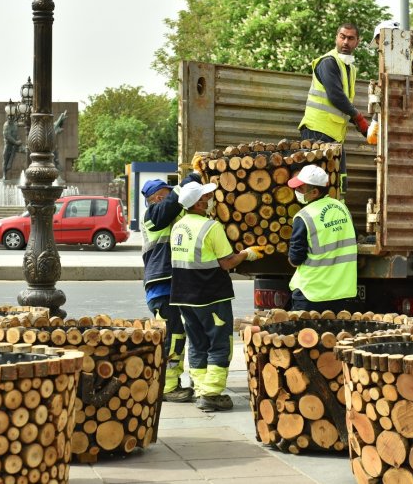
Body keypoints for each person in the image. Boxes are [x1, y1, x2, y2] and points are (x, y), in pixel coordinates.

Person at [169, 180, 264, 412]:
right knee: (219, 344)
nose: (209, 200)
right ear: (199, 203)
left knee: (198, 343)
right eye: (205, 197)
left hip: (183, 296)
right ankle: (211, 394)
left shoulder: (178, 226)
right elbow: (226, 262)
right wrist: (247, 254)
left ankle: (202, 389)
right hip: (210, 295)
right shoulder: (211, 227)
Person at [140, 172, 198, 403]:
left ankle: (177, 381)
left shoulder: (172, 211)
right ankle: (167, 385)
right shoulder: (152, 215)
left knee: (182, 334)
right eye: (163, 195)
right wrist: (180, 187)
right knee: (172, 336)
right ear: (153, 199)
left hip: (176, 284)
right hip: (161, 286)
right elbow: (169, 208)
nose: (168, 198)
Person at [298, 22, 368, 195]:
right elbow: (336, 96)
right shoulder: (328, 62)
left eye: (351, 38)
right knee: (318, 185)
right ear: (336, 38)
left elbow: (345, 102)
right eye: (342, 37)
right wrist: (358, 118)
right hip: (317, 131)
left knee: (339, 181)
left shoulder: (350, 69)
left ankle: (337, 213)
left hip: (334, 135)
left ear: (357, 42)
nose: (345, 42)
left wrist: (362, 125)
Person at [287, 165, 357, 312]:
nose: (296, 191)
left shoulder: (304, 216)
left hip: (311, 294)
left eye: (301, 188)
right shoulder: (342, 208)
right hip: (341, 294)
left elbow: (295, 259)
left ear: (314, 192)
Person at [2, 114, 22, 180]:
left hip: (15, 146)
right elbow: (7, 136)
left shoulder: (15, 124)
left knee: (25, 151)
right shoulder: (6, 125)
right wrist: (15, 142)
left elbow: (16, 134)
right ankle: (4, 175)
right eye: (9, 116)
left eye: (12, 116)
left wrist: (18, 140)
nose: (10, 118)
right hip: (8, 145)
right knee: (5, 160)